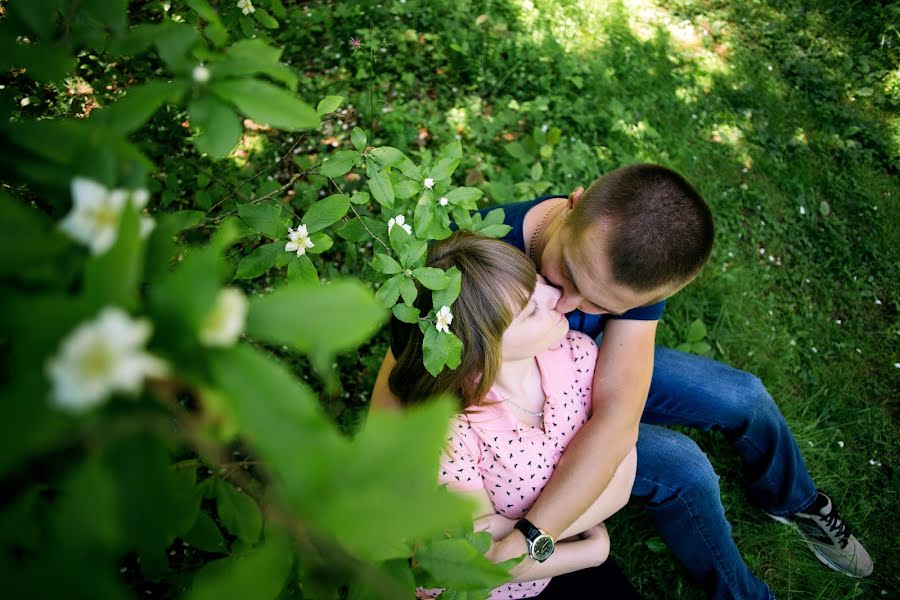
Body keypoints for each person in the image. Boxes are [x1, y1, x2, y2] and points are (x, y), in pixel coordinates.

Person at [372, 163, 873, 599]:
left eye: (599, 305)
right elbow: (397, 402)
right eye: (562, 274)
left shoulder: (634, 256)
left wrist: (533, 540)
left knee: (743, 396)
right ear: (575, 205)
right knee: (685, 468)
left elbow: (617, 412)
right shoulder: (480, 266)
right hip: (514, 414)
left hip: (586, 371)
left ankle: (796, 501)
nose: (567, 304)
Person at [388, 231, 640, 598]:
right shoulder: (454, 432)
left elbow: (621, 474)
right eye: (530, 310)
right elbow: (479, 564)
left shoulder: (578, 356)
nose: (556, 297)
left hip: (548, 566)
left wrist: (518, 533)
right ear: (483, 349)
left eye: (536, 281)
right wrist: (591, 550)